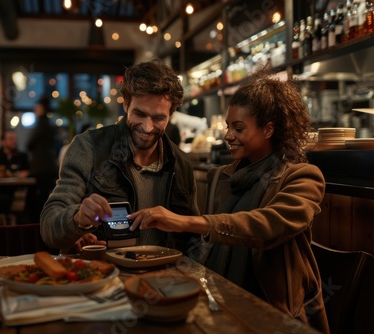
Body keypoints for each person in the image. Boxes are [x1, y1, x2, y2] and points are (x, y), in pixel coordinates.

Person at [128, 71, 329, 333]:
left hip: (277, 317)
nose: (228, 135)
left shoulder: (302, 176)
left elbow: (268, 226)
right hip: (219, 303)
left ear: (268, 129)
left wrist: (188, 222)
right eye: (227, 126)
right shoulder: (221, 177)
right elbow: (202, 249)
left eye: (239, 128)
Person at [40, 59, 200, 256]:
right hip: (105, 277)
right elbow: (49, 228)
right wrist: (77, 218)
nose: (147, 128)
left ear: (171, 115)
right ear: (125, 104)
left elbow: (194, 239)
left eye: (158, 118)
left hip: (167, 280)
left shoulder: (181, 164)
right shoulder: (88, 148)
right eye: (139, 114)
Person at [25, 96, 58, 222]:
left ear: (42, 109)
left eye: (37, 107)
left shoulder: (42, 124)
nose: (35, 109)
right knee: (43, 197)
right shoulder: (48, 124)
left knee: (38, 200)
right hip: (48, 166)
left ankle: (37, 226)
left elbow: (30, 143)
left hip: (42, 168)